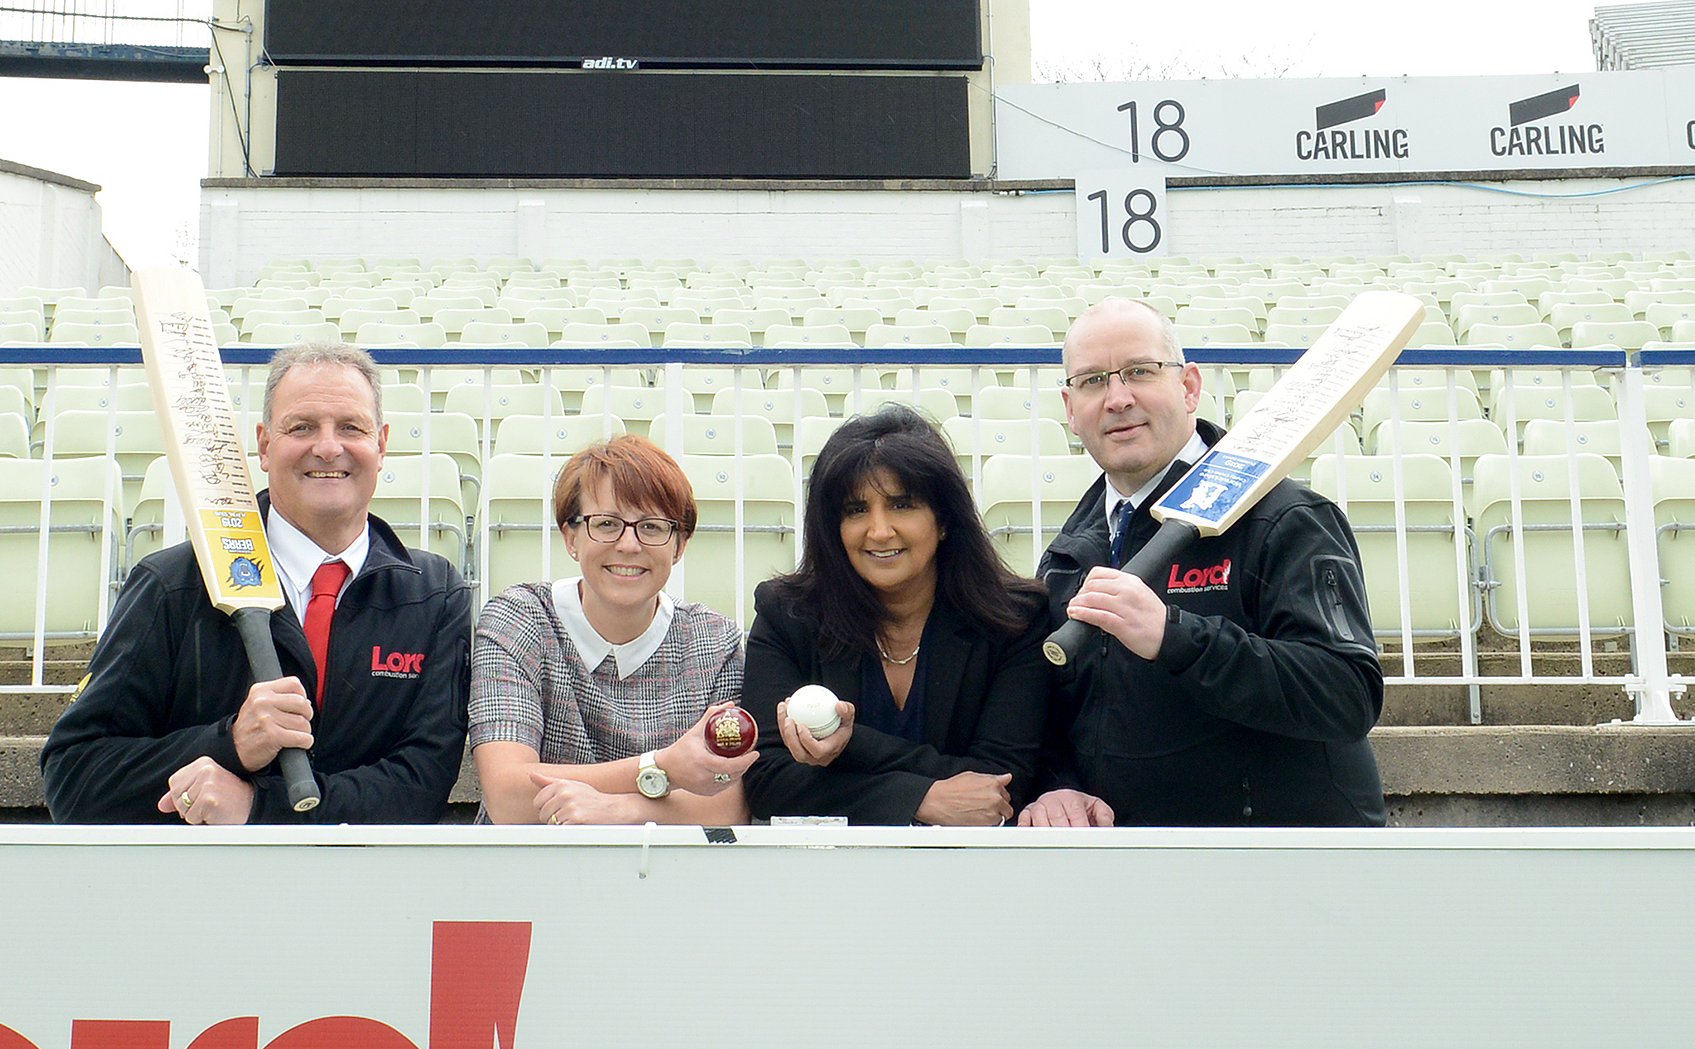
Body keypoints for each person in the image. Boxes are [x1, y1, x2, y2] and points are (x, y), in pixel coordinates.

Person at [41, 341, 470, 825]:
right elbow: (73, 777)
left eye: (351, 427)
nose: (328, 446)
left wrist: (257, 807)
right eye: (302, 427)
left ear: (381, 443)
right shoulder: (174, 585)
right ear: (265, 445)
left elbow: (423, 788)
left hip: (365, 889)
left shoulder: (433, 595)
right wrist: (229, 743)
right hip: (203, 890)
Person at [1022, 298, 1384, 828]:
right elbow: (1053, 715)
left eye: (1139, 372)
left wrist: (1177, 638)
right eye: (1093, 381)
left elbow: (1346, 695)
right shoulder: (1068, 554)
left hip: (1282, 869)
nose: (1118, 398)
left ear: (1189, 386)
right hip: (1132, 870)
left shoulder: (1286, 520)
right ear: (1070, 408)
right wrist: (1057, 788)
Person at [740, 405, 1052, 825]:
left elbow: (999, 784)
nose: (880, 530)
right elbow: (766, 782)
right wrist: (918, 798)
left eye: (902, 505)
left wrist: (849, 747)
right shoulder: (787, 614)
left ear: (943, 520)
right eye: (855, 510)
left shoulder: (1015, 619)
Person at [470, 433, 750, 826]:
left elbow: (728, 806)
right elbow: (508, 797)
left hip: (664, 879)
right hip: (528, 876)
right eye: (606, 524)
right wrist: (664, 767)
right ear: (571, 537)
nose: (629, 545)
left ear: (679, 545)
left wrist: (620, 810)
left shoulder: (715, 642)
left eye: (652, 527)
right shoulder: (519, 619)